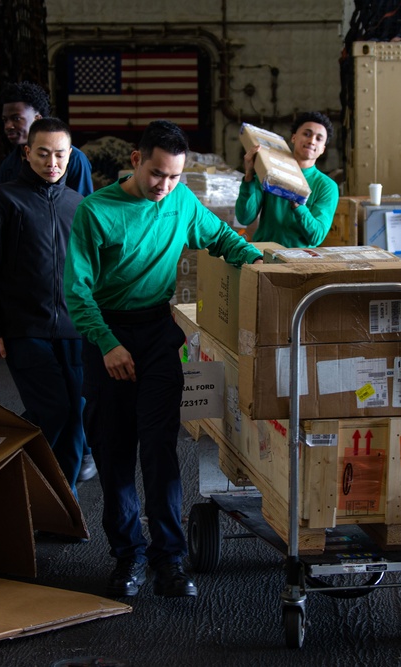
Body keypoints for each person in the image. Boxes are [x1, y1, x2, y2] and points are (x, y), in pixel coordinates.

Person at [64, 120, 263, 598]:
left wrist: (274, 265)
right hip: (106, 333)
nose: (165, 186)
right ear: (136, 160)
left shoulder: (180, 202)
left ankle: (169, 560)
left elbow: (226, 242)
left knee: (159, 450)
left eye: (174, 177)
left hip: (157, 331)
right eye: (157, 174)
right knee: (114, 452)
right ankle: (127, 557)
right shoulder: (96, 212)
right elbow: (76, 292)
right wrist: (108, 344)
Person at [0, 117, 87, 496]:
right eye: (43, 153)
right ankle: (4, 478)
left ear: (71, 156)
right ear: (27, 152)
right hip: (24, 328)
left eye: (60, 155)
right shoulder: (4, 199)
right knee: (54, 410)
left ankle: (61, 502)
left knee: (78, 416)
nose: (52, 163)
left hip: (75, 330)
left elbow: (89, 270)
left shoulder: (78, 204)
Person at [235, 111, 339, 247]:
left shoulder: (326, 186)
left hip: (298, 261)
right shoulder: (270, 171)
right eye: (306, 134)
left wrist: (297, 201)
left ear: (323, 149)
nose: (312, 141)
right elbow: (244, 217)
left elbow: (316, 236)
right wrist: (249, 176)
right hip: (263, 255)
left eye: (318, 138)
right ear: (294, 138)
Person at [0, 81, 94, 197]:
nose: (8, 126)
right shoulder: (8, 165)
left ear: (37, 119)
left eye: (16, 118)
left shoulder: (74, 159)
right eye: (5, 120)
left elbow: (82, 207)